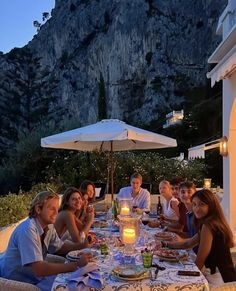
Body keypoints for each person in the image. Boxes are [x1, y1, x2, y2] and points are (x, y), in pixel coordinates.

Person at [0, 190, 91, 290]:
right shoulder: (28, 230)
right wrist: (76, 265)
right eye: (52, 209)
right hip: (16, 279)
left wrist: (82, 246)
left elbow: (59, 247)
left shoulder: (49, 226)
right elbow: (39, 269)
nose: (56, 212)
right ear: (38, 209)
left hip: (34, 276)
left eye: (57, 208)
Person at [166, 189, 236, 283]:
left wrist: (185, 280)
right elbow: (188, 243)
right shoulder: (212, 222)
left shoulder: (208, 226)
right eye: (194, 204)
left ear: (211, 206)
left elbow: (200, 261)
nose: (197, 208)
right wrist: (165, 244)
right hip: (226, 275)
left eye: (201, 204)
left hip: (220, 280)